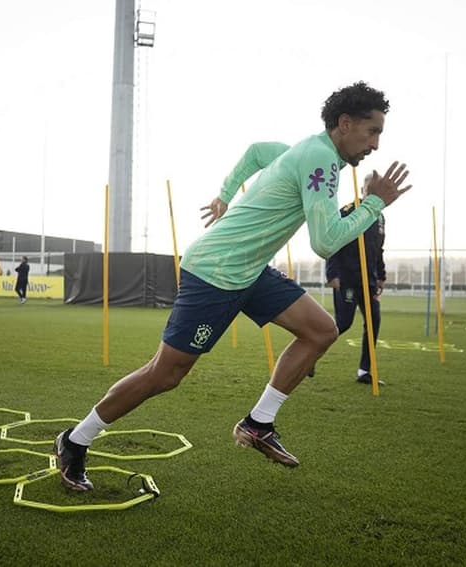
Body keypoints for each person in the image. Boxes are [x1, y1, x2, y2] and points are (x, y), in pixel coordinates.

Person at [54, 81, 412, 491]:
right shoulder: (320, 158)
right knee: (165, 374)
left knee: (321, 330)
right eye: (373, 131)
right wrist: (374, 203)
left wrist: (225, 195)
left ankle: (258, 423)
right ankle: (75, 440)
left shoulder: (305, 150)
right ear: (345, 124)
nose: (376, 145)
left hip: (249, 271)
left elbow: (258, 151)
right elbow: (326, 240)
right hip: (214, 273)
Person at [325, 197, 387, 385]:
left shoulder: (380, 217)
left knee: (373, 320)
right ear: (364, 189)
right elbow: (334, 241)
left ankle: (364, 370)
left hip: (368, 281)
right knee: (343, 323)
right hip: (347, 279)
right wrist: (332, 274)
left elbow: (378, 249)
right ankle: (309, 355)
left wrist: (381, 275)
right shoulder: (349, 210)